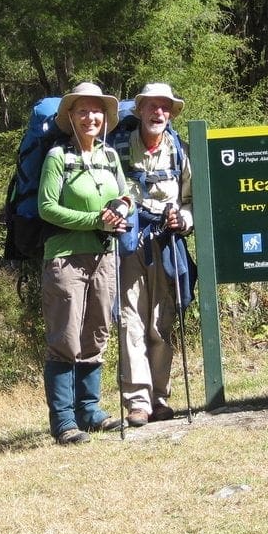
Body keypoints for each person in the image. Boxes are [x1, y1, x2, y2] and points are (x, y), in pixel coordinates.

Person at [38, 82, 132, 445]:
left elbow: (125, 195)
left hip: (105, 256)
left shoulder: (109, 156)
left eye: (96, 111)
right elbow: (48, 208)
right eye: (83, 111)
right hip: (65, 259)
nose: (90, 117)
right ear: (71, 117)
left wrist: (122, 208)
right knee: (65, 337)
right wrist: (95, 221)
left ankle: (89, 411)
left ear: (105, 117)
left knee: (96, 333)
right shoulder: (57, 157)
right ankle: (63, 422)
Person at [108, 83, 194, 426]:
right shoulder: (117, 150)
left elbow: (192, 201)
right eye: (152, 107)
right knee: (131, 320)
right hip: (129, 244)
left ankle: (160, 397)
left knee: (162, 320)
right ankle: (138, 402)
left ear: (170, 114)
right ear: (140, 110)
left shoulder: (180, 152)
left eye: (165, 108)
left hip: (168, 243)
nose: (158, 113)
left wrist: (183, 220)